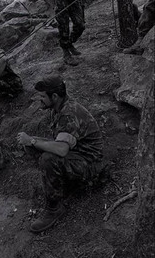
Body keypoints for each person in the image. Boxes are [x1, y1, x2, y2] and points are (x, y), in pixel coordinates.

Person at [17, 75, 103, 233]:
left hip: (91, 165)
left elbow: (62, 150)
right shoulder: (57, 108)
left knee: (47, 158)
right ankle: (60, 183)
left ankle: (54, 208)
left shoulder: (68, 114)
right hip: (77, 155)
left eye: (43, 96)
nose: (39, 99)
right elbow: (61, 141)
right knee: (33, 145)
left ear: (54, 96)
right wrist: (33, 141)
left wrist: (33, 141)